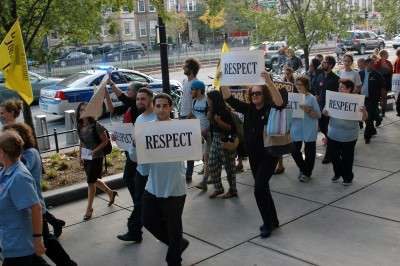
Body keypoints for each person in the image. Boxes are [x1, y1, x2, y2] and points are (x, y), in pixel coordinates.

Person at [221, 71, 284, 238]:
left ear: (264, 94)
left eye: (258, 93)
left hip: (269, 155)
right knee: (264, 188)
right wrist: (223, 79)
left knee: (259, 189)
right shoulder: (248, 109)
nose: (255, 95)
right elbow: (228, 98)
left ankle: (267, 223)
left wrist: (269, 82)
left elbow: (280, 102)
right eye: (252, 93)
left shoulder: (270, 108)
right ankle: (274, 219)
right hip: (254, 157)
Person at [3, 123, 77, 266]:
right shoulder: (11, 166)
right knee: (41, 247)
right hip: (24, 219)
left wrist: (37, 240)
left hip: (31, 211)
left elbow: (23, 175)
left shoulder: (27, 157)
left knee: (46, 241)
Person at [141, 93, 189, 266]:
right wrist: (133, 147)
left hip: (175, 187)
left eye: (165, 106)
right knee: (147, 220)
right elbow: (142, 166)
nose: (161, 109)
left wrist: (201, 143)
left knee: (174, 228)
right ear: (153, 107)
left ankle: (174, 259)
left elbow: (195, 148)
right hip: (153, 186)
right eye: (158, 106)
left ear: (170, 108)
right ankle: (178, 244)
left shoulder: (181, 128)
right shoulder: (145, 131)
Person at [106, 80, 148, 242]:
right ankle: (139, 202)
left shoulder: (138, 109)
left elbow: (123, 97)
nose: (128, 92)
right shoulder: (132, 107)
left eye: (130, 90)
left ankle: (137, 220)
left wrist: (110, 83)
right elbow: (112, 110)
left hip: (140, 154)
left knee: (135, 183)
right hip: (131, 151)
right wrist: (105, 95)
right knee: (129, 179)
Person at [0, 131, 47, 266]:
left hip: (19, 244)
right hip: (11, 241)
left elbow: (36, 207)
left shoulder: (19, 177)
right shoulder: (6, 171)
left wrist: (38, 240)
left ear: (2, 152)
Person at [122, 87, 156, 242]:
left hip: (154, 171)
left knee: (145, 203)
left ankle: (135, 229)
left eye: (143, 99)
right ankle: (135, 231)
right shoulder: (140, 119)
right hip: (142, 169)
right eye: (137, 99)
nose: (139, 101)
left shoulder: (158, 118)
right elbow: (135, 146)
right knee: (140, 201)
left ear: (150, 100)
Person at [76, 102, 118, 220]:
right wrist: (80, 156)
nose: (83, 112)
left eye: (85, 110)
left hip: (96, 156)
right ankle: (110, 193)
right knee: (93, 179)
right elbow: (82, 142)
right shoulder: (80, 126)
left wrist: (93, 151)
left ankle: (89, 209)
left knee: (90, 182)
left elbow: (105, 141)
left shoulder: (96, 125)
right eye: (81, 110)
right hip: (86, 155)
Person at [323, 80, 368, 185]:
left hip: (349, 135)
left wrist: (364, 111)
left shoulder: (356, 100)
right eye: (339, 87)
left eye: (342, 87)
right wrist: (325, 112)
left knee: (347, 158)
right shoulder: (333, 98)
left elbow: (364, 119)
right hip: (333, 134)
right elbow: (324, 112)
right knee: (334, 156)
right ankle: (338, 173)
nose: (339, 89)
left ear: (349, 89)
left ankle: (347, 177)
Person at [207, 90, 238, 199]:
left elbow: (231, 128)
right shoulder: (212, 110)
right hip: (215, 140)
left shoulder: (224, 111)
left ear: (214, 100)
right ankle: (218, 188)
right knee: (211, 163)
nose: (208, 101)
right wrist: (210, 115)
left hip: (225, 140)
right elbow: (211, 124)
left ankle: (233, 190)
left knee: (229, 168)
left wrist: (219, 122)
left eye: (209, 99)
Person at [291, 76, 321, 182]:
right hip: (296, 128)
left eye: (300, 84)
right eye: (296, 84)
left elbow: (318, 115)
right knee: (294, 151)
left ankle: (307, 173)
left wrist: (308, 110)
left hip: (309, 128)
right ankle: (304, 169)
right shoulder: (293, 97)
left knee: (309, 153)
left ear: (306, 86)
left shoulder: (311, 98)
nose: (298, 86)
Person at [179, 58, 201, 182]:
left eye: (185, 66)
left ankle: (188, 174)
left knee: (189, 146)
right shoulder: (185, 81)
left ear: (191, 69)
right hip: (182, 116)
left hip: (189, 117)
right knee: (183, 145)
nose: (183, 67)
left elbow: (197, 101)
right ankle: (184, 172)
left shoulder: (195, 83)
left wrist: (189, 115)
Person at [315, 55, 340, 164]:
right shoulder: (320, 76)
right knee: (323, 129)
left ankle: (329, 155)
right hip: (319, 107)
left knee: (328, 130)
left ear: (330, 65)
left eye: (325, 62)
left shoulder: (335, 79)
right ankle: (333, 144)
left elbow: (336, 95)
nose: (322, 63)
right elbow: (316, 89)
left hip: (329, 110)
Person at [188, 80, 210, 191]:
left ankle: (204, 181)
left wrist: (207, 130)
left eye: (192, 89)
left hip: (209, 134)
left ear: (199, 90)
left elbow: (212, 118)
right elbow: (193, 114)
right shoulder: (194, 102)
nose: (190, 91)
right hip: (200, 135)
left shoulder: (207, 101)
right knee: (205, 157)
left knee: (206, 157)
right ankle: (212, 175)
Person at [275, 66, 296, 175]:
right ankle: (280, 164)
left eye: (288, 73)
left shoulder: (294, 83)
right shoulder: (281, 83)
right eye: (285, 73)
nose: (286, 74)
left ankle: (281, 164)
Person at [359, 58, 385, 144]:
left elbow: (382, 88)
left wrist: (382, 99)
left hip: (372, 99)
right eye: (370, 64)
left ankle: (367, 136)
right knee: (370, 117)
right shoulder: (360, 73)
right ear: (366, 64)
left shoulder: (377, 75)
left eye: (373, 64)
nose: (372, 65)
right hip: (361, 99)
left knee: (368, 118)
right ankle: (374, 127)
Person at [375, 50, 393, 117]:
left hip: (386, 82)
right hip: (379, 82)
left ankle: (383, 112)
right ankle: (380, 111)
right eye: (387, 54)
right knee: (379, 98)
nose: (388, 55)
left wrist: (387, 67)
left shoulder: (388, 62)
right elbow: (375, 71)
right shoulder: (378, 62)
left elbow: (391, 72)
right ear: (383, 55)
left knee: (384, 97)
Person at [393, 49, 400, 116]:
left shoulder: (397, 59)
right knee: (398, 96)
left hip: (396, 78)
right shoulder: (399, 59)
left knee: (397, 95)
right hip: (398, 78)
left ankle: (398, 110)